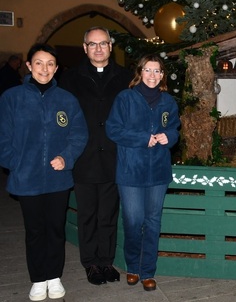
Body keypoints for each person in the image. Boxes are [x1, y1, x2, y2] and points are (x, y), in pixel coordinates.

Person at [0, 43, 88, 301]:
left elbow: (79, 134)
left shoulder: (67, 100)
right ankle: (38, 278)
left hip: (57, 179)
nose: (44, 68)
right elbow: (3, 137)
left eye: (50, 64)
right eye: (38, 62)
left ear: (56, 68)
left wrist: (66, 157)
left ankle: (54, 276)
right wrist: (15, 163)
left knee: (55, 229)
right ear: (29, 66)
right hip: (26, 179)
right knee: (35, 230)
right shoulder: (11, 98)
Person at [59, 27, 132, 285]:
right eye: (93, 44)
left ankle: (106, 261)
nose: (98, 49)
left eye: (103, 44)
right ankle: (90, 263)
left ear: (111, 47)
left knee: (108, 215)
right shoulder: (70, 79)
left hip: (114, 157)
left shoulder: (125, 77)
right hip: (84, 158)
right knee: (87, 214)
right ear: (84, 47)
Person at [105, 54, 180, 292]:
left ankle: (148, 271)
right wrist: (142, 139)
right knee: (133, 220)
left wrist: (170, 136)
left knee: (153, 222)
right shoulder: (125, 98)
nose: (153, 75)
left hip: (158, 172)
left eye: (157, 71)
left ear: (162, 75)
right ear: (140, 72)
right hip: (131, 172)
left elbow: (174, 127)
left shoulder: (168, 101)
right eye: (148, 70)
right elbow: (113, 129)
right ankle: (133, 266)